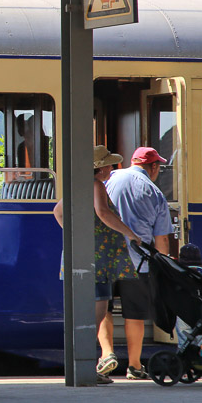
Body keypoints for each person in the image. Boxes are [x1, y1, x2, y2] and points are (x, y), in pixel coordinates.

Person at [53, 145, 140, 384]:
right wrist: (130, 233)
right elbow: (103, 213)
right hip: (97, 260)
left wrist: (75, 237)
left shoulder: (77, 187)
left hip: (82, 256)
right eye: (109, 165)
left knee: (86, 311)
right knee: (97, 312)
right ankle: (85, 366)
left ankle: (84, 364)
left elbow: (57, 212)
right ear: (99, 169)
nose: (112, 169)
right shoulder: (96, 186)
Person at [104, 147, 173, 380]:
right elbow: (162, 238)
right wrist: (163, 265)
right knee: (134, 315)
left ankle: (107, 354)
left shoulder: (110, 179)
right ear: (152, 167)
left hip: (107, 257)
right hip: (138, 261)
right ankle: (134, 366)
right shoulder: (154, 192)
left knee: (102, 309)